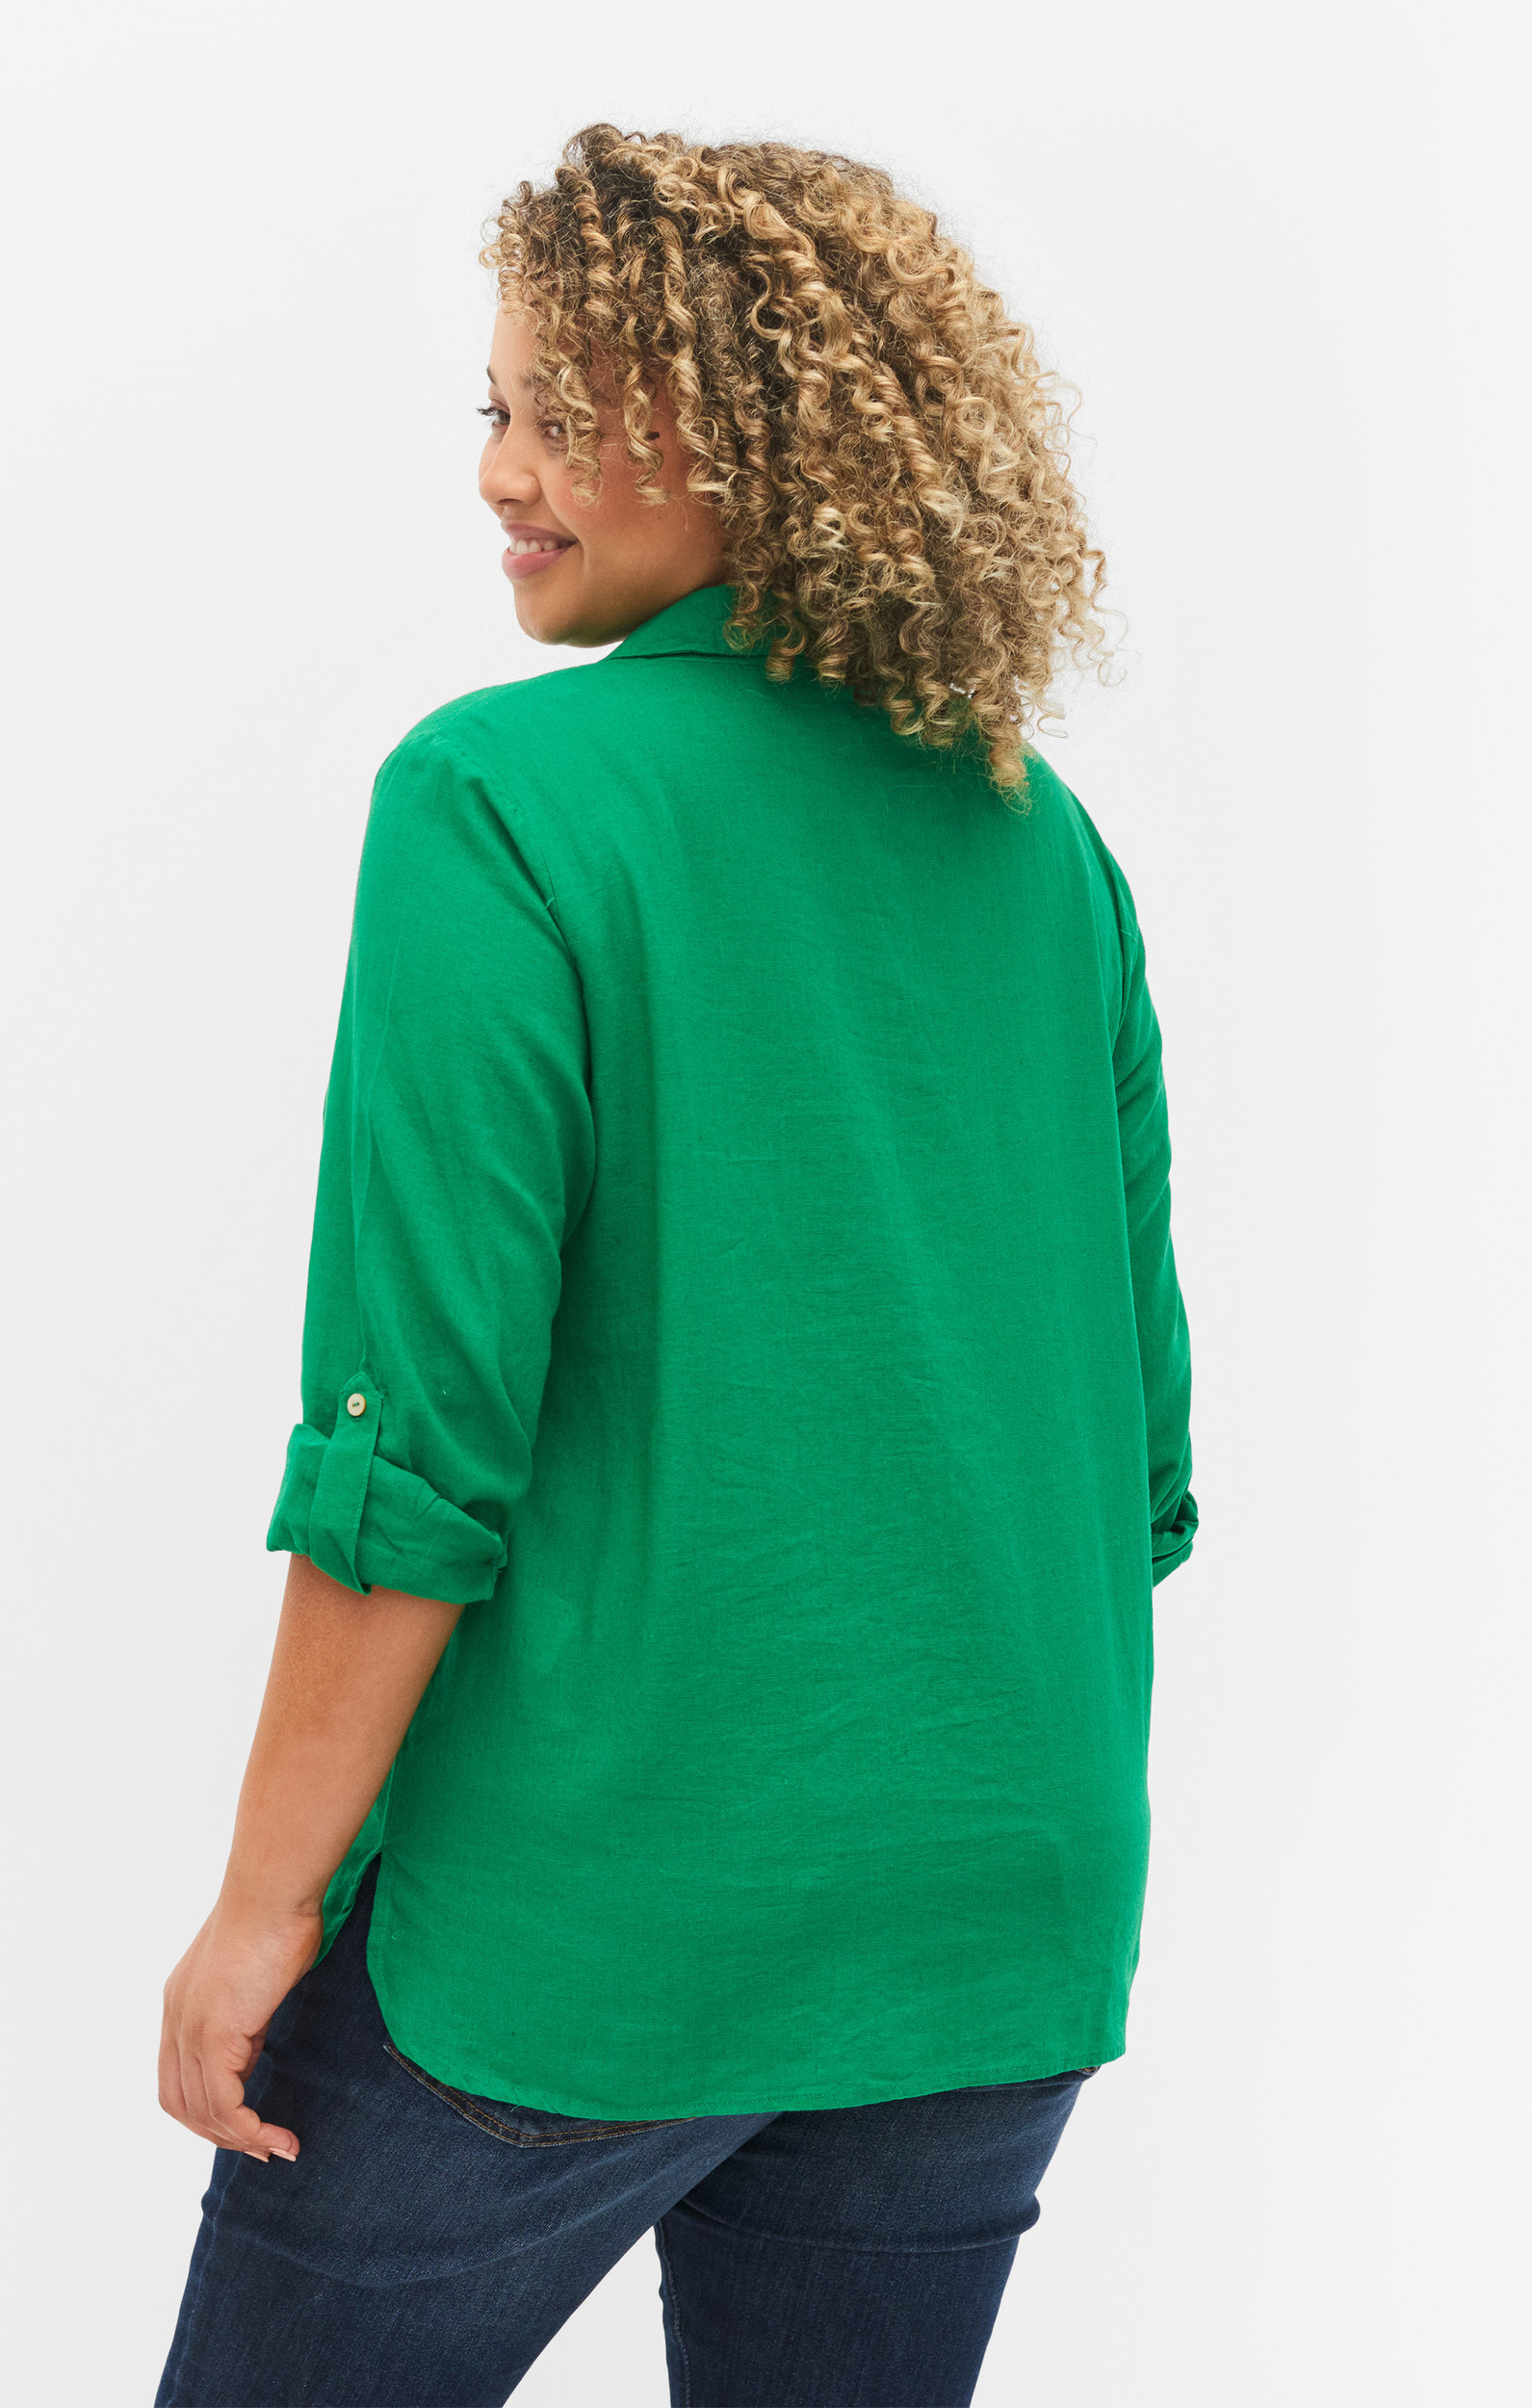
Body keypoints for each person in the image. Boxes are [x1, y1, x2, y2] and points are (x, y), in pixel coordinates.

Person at [154, 123, 1196, 2408]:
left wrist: (261, 1904)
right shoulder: (1041, 839)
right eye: (491, 409)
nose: (499, 470)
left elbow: (411, 1451)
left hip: (588, 1925)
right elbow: (1136, 1467)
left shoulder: (500, 796)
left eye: (556, 410)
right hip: (986, 1922)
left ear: (740, 431)